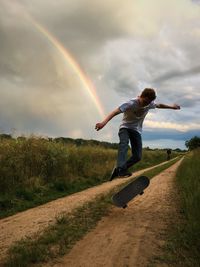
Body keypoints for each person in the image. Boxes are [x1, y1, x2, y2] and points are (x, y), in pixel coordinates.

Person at [95, 88, 180, 180]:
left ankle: (119, 169)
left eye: (148, 103)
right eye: (144, 101)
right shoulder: (130, 103)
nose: (145, 104)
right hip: (125, 128)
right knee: (124, 144)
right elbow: (115, 112)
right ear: (140, 96)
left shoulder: (150, 103)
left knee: (137, 156)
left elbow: (159, 105)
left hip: (136, 131)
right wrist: (103, 123)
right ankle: (121, 170)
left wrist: (172, 107)